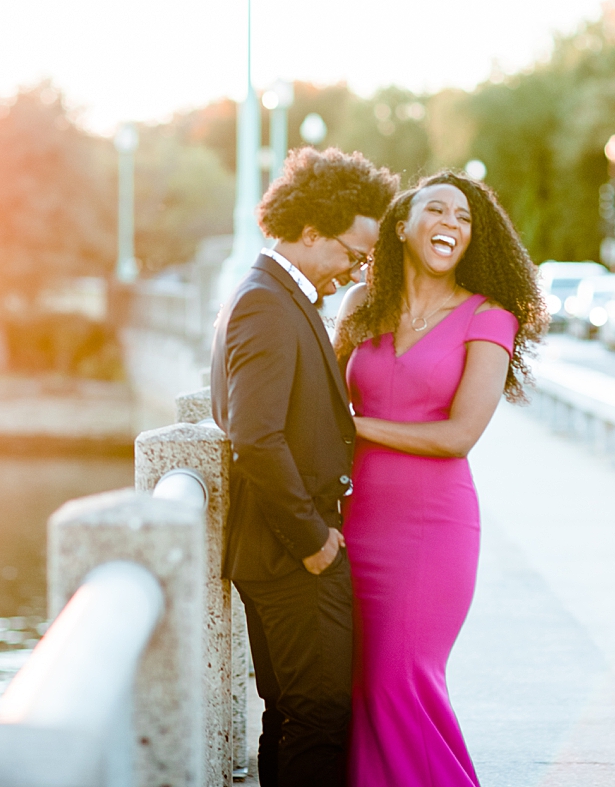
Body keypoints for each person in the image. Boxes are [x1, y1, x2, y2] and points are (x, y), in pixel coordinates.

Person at [333, 171, 546, 787]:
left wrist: (360, 428)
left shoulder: (489, 317)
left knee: (399, 679)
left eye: (465, 218)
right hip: (355, 522)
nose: (452, 223)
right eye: (438, 210)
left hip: (432, 528)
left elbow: (459, 436)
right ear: (403, 225)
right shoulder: (360, 307)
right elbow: (319, 397)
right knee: (359, 687)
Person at [212, 147, 399, 787]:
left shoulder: (277, 297)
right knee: (319, 717)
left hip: (281, 550)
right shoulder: (268, 304)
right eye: (352, 254)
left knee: (294, 715)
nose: (355, 271)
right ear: (312, 231)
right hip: (288, 553)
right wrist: (313, 542)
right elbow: (256, 438)